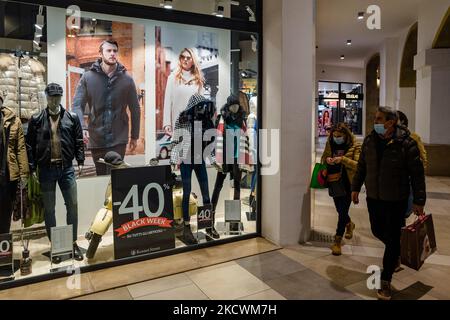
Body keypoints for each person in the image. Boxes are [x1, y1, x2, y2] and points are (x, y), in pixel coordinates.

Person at [351, 106, 426, 300]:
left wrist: (419, 201)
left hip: (396, 200)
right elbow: (362, 166)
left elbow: (417, 174)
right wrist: (355, 187)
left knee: (392, 238)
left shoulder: (406, 143)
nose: (375, 122)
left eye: (378, 119)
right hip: (374, 198)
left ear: (390, 122)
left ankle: (386, 281)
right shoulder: (369, 141)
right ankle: (397, 251)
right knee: (377, 230)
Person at [26, 83, 85, 263]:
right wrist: (31, 166)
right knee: (49, 209)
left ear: (61, 97)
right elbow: (29, 145)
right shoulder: (37, 119)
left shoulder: (72, 117)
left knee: (72, 205)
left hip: (66, 168)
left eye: (58, 97)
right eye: (51, 97)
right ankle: (56, 245)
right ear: (47, 97)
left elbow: (78, 139)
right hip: (46, 170)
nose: (55, 100)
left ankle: (73, 242)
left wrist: (80, 160)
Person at [72, 40, 140, 176]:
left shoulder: (127, 79)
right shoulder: (88, 77)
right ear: (101, 53)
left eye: (115, 51)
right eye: (109, 51)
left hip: (118, 138)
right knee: (101, 177)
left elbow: (135, 109)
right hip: (97, 137)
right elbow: (77, 105)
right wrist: (82, 128)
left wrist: (134, 136)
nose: (112, 54)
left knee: (117, 178)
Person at [321, 123, 360, 256]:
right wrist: (327, 160)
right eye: (334, 136)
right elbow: (323, 159)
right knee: (339, 209)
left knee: (343, 210)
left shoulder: (354, 146)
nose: (336, 138)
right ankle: (349, 224)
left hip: (348, 183)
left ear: (346, 136)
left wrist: (342, 159)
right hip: (333, 181)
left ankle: (337, 240)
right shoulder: (330, 143)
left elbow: (358, 165)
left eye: (339, 136)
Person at [0, 94, 29, 234]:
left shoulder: (13, 121)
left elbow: (20, 148)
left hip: (7, 175)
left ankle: (3, 244)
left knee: (6, 211)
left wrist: (24, 173)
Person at [163, 48, 205, 133]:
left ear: (193, 61)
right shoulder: (172, 78)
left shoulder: (198, 80)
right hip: (178, 123)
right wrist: (167, 123)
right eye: (183, 57)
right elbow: (167, 101)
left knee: (194, 146)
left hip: (195, 124)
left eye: (188, 58)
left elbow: (202, 105)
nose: (185, 59)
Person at [397, 111, 428, 220]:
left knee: (404, 211)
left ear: (402, 122)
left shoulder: (413, 138)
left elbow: (423, 160)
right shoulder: (387, 138)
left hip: (407, 181)